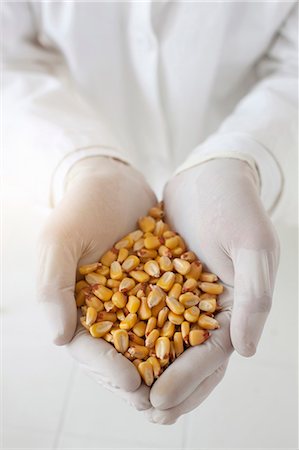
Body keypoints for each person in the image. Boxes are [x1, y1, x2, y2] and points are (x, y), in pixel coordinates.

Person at [3, 2, 297, 425]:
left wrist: (249, 155)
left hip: (250, 160)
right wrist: (79, 163)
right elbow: (8, 60)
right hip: (79, 134)